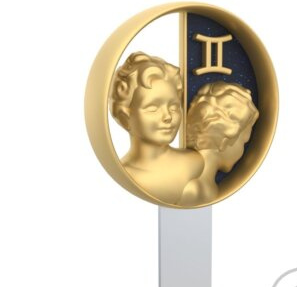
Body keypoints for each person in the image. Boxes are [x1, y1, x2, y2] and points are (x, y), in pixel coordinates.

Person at [110, 52, 203, 204]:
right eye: (153, 108)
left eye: (174, 107)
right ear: (125, 117)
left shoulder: (195, 163)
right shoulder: (123, 177)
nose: (168, 116)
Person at [179, 81, 259, 206]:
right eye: (243, 142)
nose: (243, 151)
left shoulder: (203, 187)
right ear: (224, 140)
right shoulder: (197, 190)